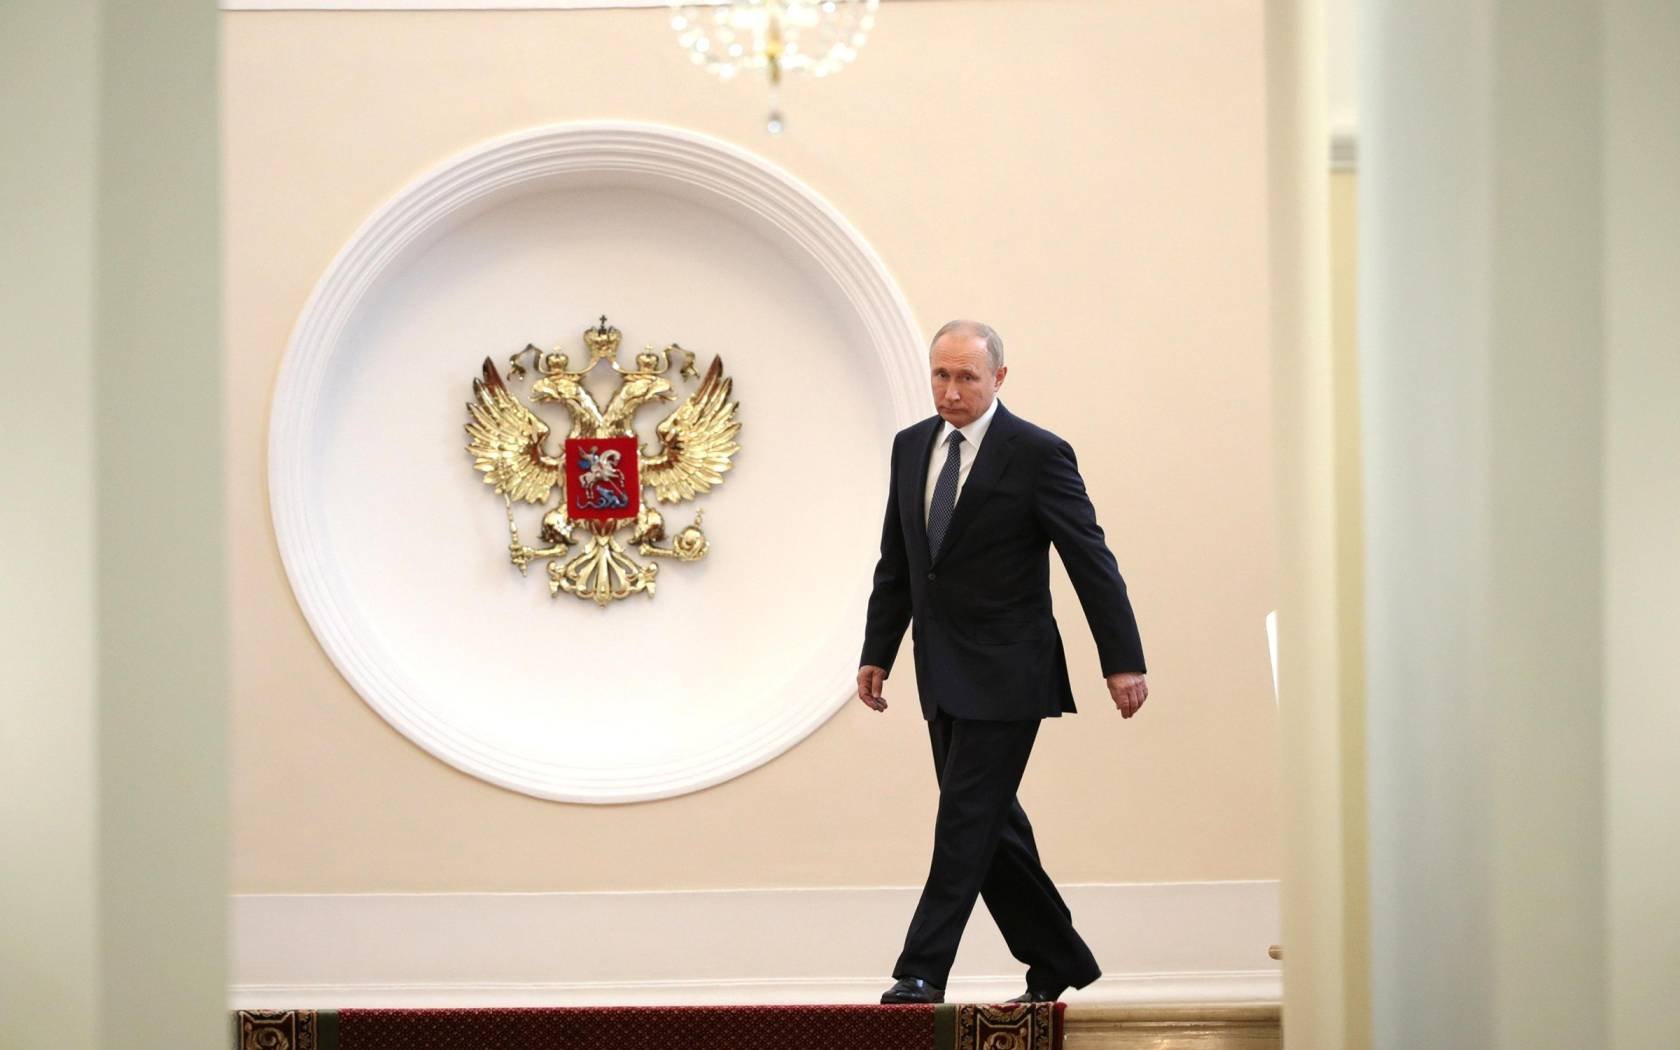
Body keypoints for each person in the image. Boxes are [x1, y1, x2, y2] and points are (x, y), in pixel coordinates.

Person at [858, 319, 1149, 1006]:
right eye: (941, 375)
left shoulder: (1038, 453)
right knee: (993, 826)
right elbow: (897, 565)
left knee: (964, 818)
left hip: (1010, 670)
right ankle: (1057, 958)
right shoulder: (910, 449)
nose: (951, 390)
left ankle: (922, 969)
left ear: (998, 380)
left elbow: (1090, 559)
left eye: (966, 377)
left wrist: (1122, 660)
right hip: (940, 667)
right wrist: (879, 652)